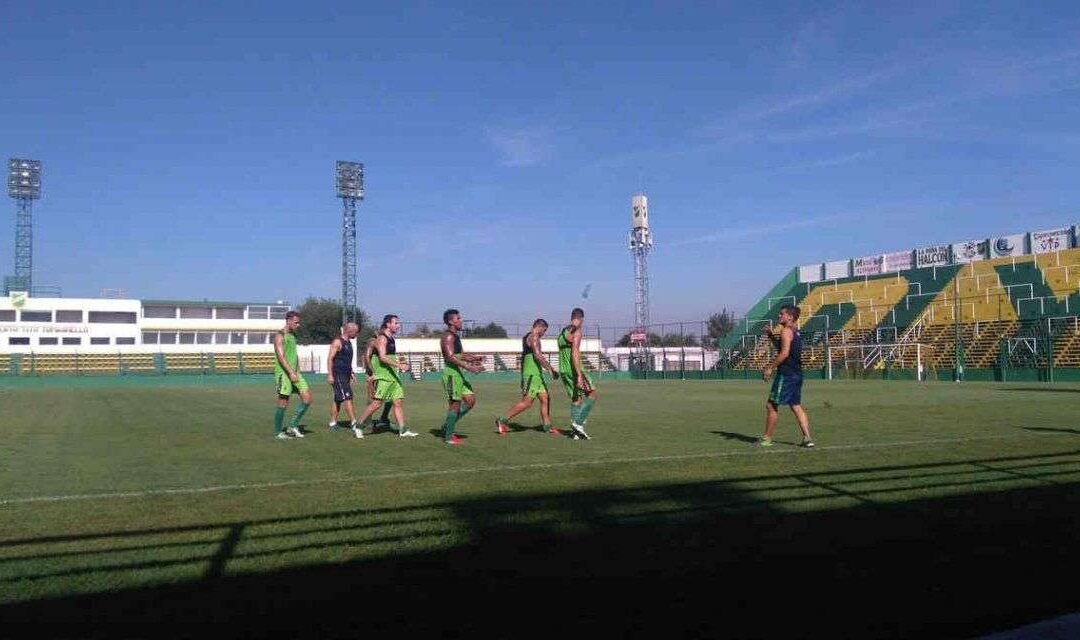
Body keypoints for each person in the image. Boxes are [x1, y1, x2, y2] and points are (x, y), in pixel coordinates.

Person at [759, 304, 814, 448]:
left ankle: (767, 439)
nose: (779, 316)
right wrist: (771, 336)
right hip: (797, 374)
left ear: (790, 316)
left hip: (786, 375)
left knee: (771, 405)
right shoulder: (795, 331)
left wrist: (770, 368)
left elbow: (784, 353)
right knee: (796, 405)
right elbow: (785, 347)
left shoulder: (785, 331)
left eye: (782, 313)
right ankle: (807, 438)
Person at [354, 314, 417, 438]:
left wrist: (398, 365)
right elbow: (382, 357)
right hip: (384, 376)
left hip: (393, 376)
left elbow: (390, 357)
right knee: (377, 403)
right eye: (396, 323)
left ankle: (402, 430)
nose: (398, 326)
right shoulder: (382, 338)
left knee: (398, 402)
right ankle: (358, 425)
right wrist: (400, 365)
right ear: (388, 324)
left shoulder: (391, 338)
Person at [496, 319, 561, 435]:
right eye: (544, 331)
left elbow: (525, 357)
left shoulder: (528, 337)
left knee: (545, 398)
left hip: (536, 375)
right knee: (527, 402)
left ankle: (547, 426)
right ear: (540, 327)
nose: (544, 334)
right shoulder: (534, 337)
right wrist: (551, 369)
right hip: (532, 374)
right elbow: (537, 356)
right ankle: (502, 420)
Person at [439, 308, 484, 445]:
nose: (461, 320)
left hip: (458, 374)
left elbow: (460, 355)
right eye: (458, 318)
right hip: (451, 375)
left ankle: (448, 425)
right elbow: (450, 357)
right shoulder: (448, 336)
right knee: (455, 405)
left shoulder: (456, 336)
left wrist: (475, 358)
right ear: (450, 321)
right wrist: (469, 367)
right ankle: (448, 437)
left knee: (470, 401)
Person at [556, 307, 598, 440]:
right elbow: (575, 352)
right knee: (592, 394)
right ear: (581, 319)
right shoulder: (577, 332)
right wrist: (579, 374)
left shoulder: (563, 332)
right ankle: (578, 423)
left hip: (563, 370)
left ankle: (575, 433)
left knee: (576, 398)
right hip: (574, 369)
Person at [273, 310, 311, 440]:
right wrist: (290, 372)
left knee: (307, 398)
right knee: (283, 402)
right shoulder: (280, 336)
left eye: (299, 322)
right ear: (288, 321)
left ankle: (293, 426)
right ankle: (278, 432)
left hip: (296, 373)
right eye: (296, 322)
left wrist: (297, 371)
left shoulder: (293, 336)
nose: (298, 325)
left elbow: (293, 355)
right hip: (284, 374)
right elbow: (281, 357)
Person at [327, 322, 360, 431]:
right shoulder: (337, 342)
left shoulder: (349, 343)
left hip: (346, 374)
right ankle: (354, 422)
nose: (357, 334)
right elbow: (330, 359)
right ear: (349, 331)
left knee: (338, 399)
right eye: (356, 331)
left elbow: (346, 361)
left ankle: (332, 423)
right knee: (347, 397)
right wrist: (330, 375)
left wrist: (351, 373)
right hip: (338, 375)